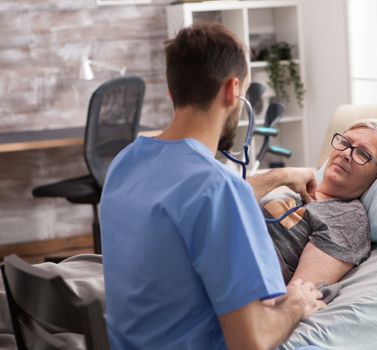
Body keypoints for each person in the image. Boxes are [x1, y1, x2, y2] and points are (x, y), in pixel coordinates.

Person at [100, 23, 325, 350]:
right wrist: (296, 303)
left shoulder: (126, 162)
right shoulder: (218, 189)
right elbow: (253, 341)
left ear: (171, 91)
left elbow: (192, 204)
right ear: (232, 90)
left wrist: (281, 176)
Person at [261, 120, 377, 286]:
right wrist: (281, 177)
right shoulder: (297, 188)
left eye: (362, 154)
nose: (345, 153)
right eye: (344, 142)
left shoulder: (348, 220)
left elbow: (299, 292)